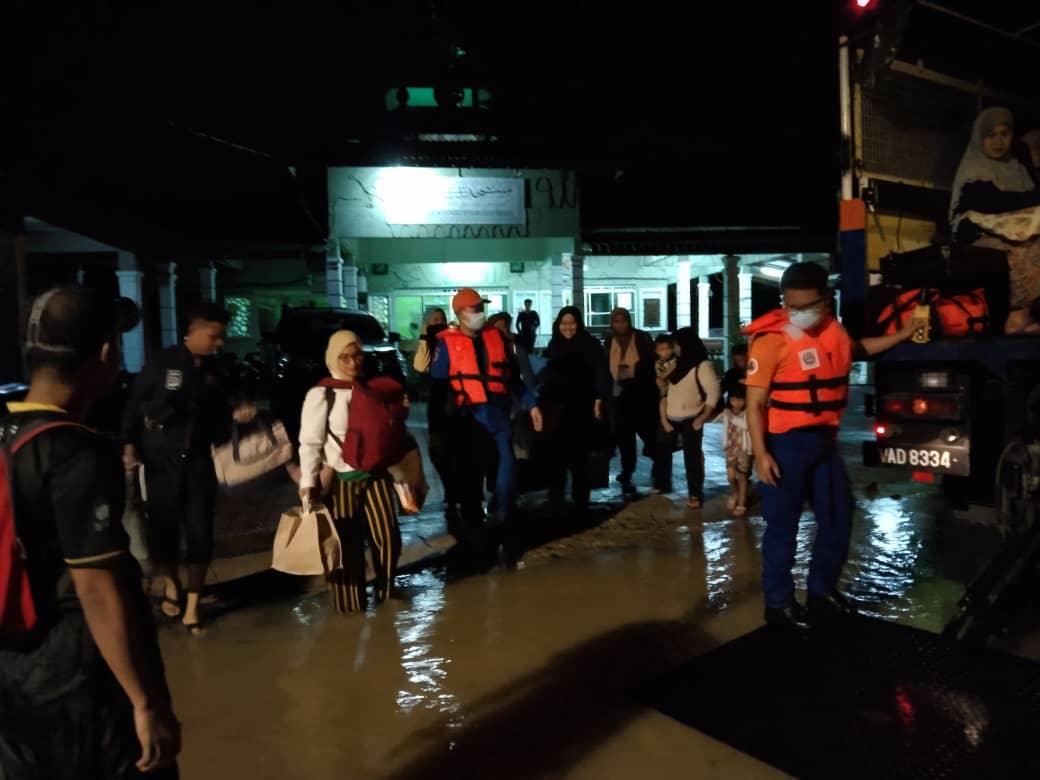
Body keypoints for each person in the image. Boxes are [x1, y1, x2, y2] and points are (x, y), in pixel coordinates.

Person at [0, 287, 180, 778]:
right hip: (79, 682)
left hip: (13, 676)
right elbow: (96, 588)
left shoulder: (5, 433)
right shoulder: (74, 452)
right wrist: (144, 702)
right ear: (106, 353)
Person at [745, 262, 921, 632]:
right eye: (792, 307)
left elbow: (858, 348)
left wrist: (904, 333)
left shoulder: (833, 331)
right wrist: (761, 455)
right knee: (782, 528)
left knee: (839, 517)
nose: (800, 314)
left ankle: (821, 591)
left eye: (808, 305)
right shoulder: (771, 340)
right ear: (783, 302)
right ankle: (778, 604)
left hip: (824, 443)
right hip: (784, 445)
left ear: (825, 300)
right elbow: (755, 403)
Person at [122, 301, 256, 635]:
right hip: (160, 459)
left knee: (199, 533)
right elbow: (134, 407)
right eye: (214, 336)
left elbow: (219, 420)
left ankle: (193, 606)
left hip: (198, 461)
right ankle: (170, 587)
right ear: (193, 330)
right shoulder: (160, 363)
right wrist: (129, 446)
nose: (219, 343)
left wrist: (234, 417)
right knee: (163, 531)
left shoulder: (215, 372)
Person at [298, 330, 403, 612]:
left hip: (375, 476)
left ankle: (386, 591)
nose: (353, 363)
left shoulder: (369, 389)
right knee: (346, 545)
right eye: (345, 357)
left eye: (357, 356)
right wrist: (308, 482)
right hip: (341, 480)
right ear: (333, 358)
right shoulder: (323, 393)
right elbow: (310, 441)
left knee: (388, 537)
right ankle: (349, 607)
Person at [432, 288, 539, 531]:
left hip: (497, 414)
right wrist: (440, 427)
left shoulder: (497, 338)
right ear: (460, 314)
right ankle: (472, 523)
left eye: (482, 308)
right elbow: (437, 386)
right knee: (470, 474)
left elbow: (513, 379)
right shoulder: (446, 343)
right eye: (475, 309)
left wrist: (532, 405)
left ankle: (501, 516)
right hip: (467, 418)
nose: (480, 313)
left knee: (507, 470)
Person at [950, 106, 1040, 332]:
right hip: (982, 239)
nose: (998, 141)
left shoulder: (1017, 168)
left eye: (1004, 134)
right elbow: (990, 202)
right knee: (1020, 254)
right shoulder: (974, 168)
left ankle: (1028, 316)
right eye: (991, 135)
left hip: (1018, 234)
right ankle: (1016, 318)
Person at [534, 306, 609, 516]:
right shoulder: (554, 345)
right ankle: (556, 496)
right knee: (556, 455)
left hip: (581, 408)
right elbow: (545, 374)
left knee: (579, 456)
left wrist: (598, 399)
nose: (568, 327)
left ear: (579, 324)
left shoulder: (590, 345)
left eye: (572, 323)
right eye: (564, 323)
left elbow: (600, 372)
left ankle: (580, 499)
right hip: (557, 409)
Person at [651, 328, 720, 508]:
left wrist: (703, 416)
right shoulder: (675, 364)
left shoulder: (701, 365)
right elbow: (664, 385)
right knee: (661, 450)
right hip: (670, 415)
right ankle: (662, 483)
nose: (674, 348)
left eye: (676, 345)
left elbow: (713, 391)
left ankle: (695, 494)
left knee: (692, 456)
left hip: (692, 416)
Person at [412, 307, 460, 527]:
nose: (439, 323)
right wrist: (425, 336)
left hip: (454, 399)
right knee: (437, 449)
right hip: (436, 402)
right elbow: (420, 366)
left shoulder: (451, 339)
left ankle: (454, 492)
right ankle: (450, 487)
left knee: (454, 447)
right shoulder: (427, 343)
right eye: (434, 320)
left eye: (441, 319)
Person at [603, 307, 657, 495]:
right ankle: (627, 471)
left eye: (623, 320)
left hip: (639, 394)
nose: (620, 324)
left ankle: (659, 464)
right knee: (624, 436)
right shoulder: (610, 340)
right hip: (618, 395)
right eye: (616, 320)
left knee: (646, 432)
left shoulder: (641, 338)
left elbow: (651, 363)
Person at [721, 382, 752, 517]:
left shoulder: (748, 413)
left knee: (742, 476)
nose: (737, 403)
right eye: (734, 400)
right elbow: (725, 429)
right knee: (731, 476)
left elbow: (747, 426)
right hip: (731, 448)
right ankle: (734, 493)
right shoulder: (727, 412)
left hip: (744, 449)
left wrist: (732, 418)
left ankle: (742, 501)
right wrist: (724, 443)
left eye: (740, 399)